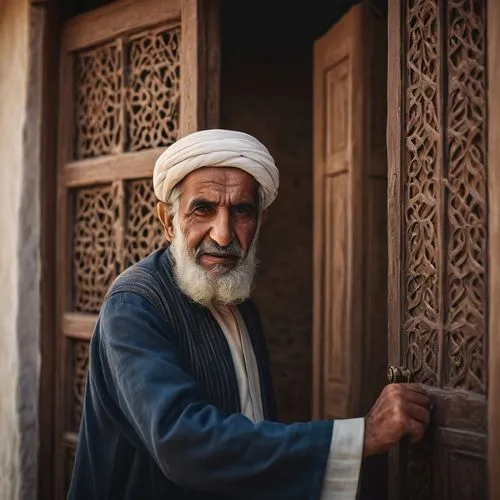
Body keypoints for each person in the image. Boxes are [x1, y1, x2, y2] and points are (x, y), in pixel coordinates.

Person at [68, 129, 431, 500]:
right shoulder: (134, 306)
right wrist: (362, 436)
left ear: (259, 222)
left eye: (241, 211)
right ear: (167, 221)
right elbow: (182, 443)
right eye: (203, 209)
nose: (223, 235)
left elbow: (254, 424)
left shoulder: (239, 304)